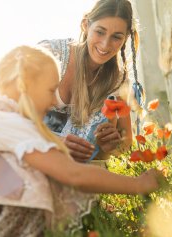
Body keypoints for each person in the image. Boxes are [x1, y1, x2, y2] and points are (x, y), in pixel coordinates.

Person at [0, 45, 165, 236]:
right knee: (34, 177)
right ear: (24, 86)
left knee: (25, 171)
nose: (54, 101)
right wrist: (139, 184)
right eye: (50, 90)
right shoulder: (6, 120)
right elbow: (72, 175)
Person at [39, 0, 140, 162]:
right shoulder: (52, 55)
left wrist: (109, 146)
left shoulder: (118, 83)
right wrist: (55, 142)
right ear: (86, 25)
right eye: (100, 32)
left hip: (76, 174)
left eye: (116, 37)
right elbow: (11, 114)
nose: (105, 45)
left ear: (126, 37)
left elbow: (125, 145)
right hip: (28, 161)